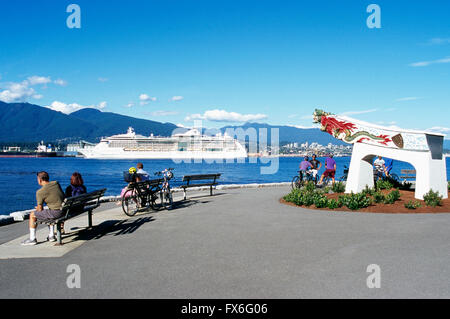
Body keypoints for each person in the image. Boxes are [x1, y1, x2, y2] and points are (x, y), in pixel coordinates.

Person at [21, 171, 65, 245]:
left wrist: (37, 207)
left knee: (32, 215)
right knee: (48, 211)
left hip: (57, 213)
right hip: (65, 210)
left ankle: (32, 239)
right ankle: (51, 236)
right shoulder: (56, 183)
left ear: (40, 180)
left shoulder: (40, 192)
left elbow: (40, 209)